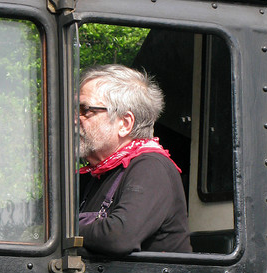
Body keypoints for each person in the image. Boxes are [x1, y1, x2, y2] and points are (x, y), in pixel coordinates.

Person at [78, 64, 191, 255]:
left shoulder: (152, 167)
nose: (74, 119)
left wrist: (60, 232)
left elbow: (118, 236)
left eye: (84, 110)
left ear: (125, 123)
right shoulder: (91, 176)